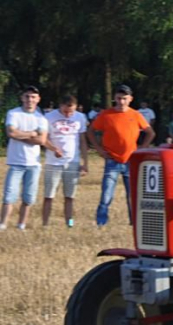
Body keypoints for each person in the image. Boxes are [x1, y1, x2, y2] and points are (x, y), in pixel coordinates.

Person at [87, 84, 155, 227]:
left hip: (131, 160)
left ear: (130, 99)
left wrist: (141, 149)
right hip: (112, 160)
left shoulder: (136, 115)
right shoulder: (106, 114)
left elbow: (150, 133)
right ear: (114, 98)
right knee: (106, 195)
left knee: (133, 195)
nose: (121, 102)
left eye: (124, 98)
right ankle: (101, 222)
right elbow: (91, 131)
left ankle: (134, 223)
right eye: (118, 98)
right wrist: (99, 149)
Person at [0, 86, 49, 230]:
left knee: (28, 198)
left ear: (38, 99)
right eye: (27, 96)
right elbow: (11, 133)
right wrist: (32, 133)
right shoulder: (13, 113)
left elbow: (42, 140)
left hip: (33, 163)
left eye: (33, 97)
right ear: (22, 98)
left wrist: (21, 134)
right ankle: (3, 224)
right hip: (15, 162)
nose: (30, 100)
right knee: (9, 196)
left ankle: (21, 225)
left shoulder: (41, 118)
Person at [42, 95, 89, 227]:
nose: (68, 115)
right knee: (49, 196)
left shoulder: (80, 117)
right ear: (60, 106)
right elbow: (43, 139)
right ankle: (45, 224)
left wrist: (85, 163)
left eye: (71, 111)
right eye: (66, 112)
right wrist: (53, 148)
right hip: (53, 162)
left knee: (70, 197)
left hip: (72, 161)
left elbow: (83, 141)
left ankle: (70, 224)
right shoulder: (49, 117)